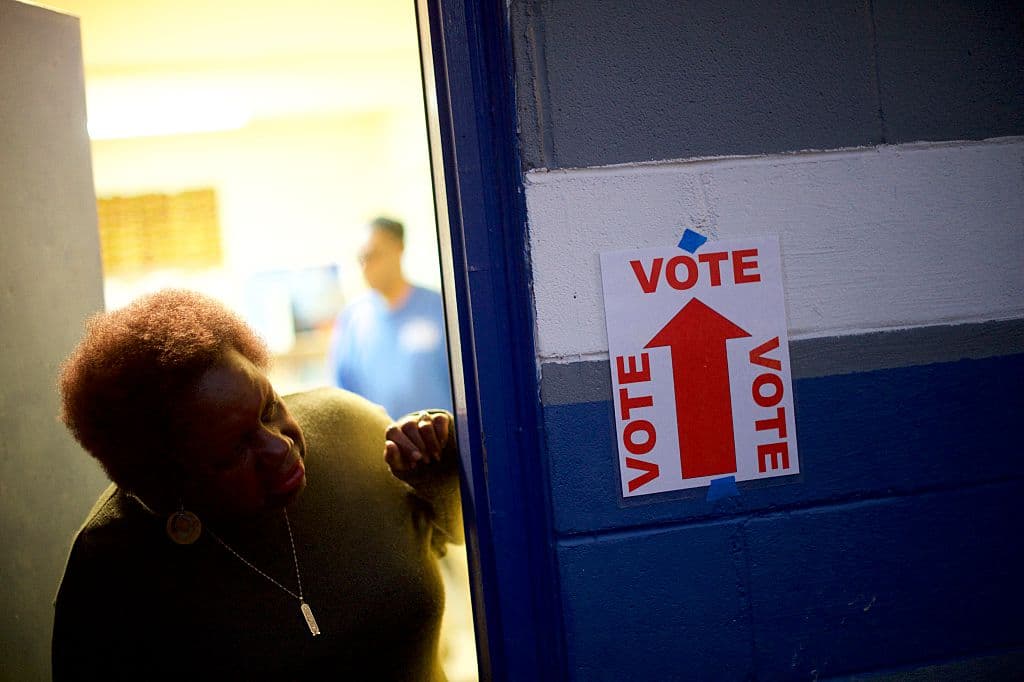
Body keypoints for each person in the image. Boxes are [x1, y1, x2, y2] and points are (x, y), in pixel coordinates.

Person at [52, 289, 461, 680]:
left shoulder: (350, 427)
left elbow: (455, 536)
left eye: (270, 408)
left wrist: (441, 474)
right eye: (234, 452)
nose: (280, 447)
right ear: (164, 483)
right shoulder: (111, 565)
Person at [329, 216, 453, 419]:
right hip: (380, 446)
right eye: (361, 258)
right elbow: (342, 395)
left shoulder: (440, 309)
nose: (366, 267)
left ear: (399, 249)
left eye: (373, 255)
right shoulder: (352, 320)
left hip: (443, 444)